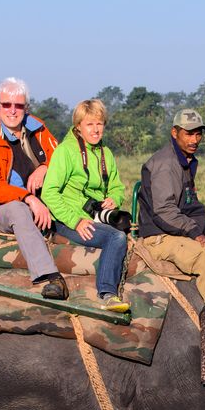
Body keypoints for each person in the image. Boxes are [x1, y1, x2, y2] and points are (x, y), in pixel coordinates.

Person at [0, 77, 68, 300]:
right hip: (0, 209)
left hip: (43, 201)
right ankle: (49, 276)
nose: (13, 111)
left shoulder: (38, 129)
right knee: (17, 209)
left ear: (26, 108)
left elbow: (61, 157)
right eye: (7, 105)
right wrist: (28, 198)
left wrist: (44, 167)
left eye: (19, 105)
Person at [41, 99, 131, 313]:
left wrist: (114, 199)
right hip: (68, 219)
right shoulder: (65, 151)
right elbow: (49, 192)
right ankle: (108, 294)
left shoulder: (105, 153)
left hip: (97, 216)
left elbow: (117, 186)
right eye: (89, 124)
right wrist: (75, 220)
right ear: (78, 126)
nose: (95, 129)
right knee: (115, 237)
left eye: (99, 124)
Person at [137, 108, 205, 303]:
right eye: (189, 134)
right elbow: (164, 211)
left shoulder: (186, 160)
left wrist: (195, 227)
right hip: (160, 235)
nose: (194, 140)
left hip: (179, 226)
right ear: (174, 133)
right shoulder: (166, 164)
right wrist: (195, 233)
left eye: (198, 134)